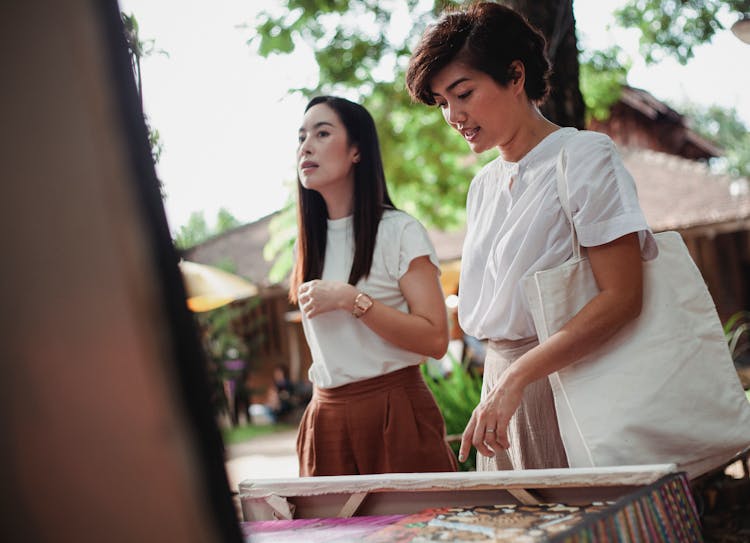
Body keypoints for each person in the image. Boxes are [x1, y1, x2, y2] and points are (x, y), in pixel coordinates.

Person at [405, 2, 658, 471]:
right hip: (500, 391)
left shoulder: (582, 156)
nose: (454, 115)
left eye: (463, 93)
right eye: (442, 103)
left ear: (515, 75)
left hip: (572, 384)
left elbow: (623, 296)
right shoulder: (481, 185)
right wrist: (503, 384)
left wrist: (519, 376)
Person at [289, 95, 458, 477]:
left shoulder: (399, 232)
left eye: (322, 133)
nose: (306, 146)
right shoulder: (306, 243)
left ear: (356, 152)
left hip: (394, 412)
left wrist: (354, 301)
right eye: (300, 138)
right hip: (326, 419)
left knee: (418, 533)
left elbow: (435, 339)